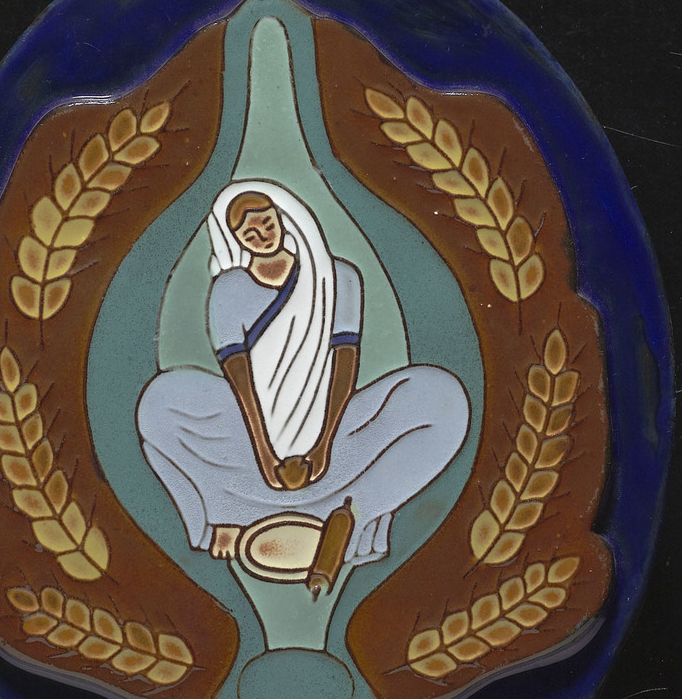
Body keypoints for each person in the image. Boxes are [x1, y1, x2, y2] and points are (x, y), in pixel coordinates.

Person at [137, 180, 469, 564]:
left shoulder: (337, 277)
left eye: (267, 223)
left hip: (338, 430)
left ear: (283, 218)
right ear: (236, 240)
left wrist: (324, 443)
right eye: (249, 233)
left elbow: (345, 362)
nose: (262, 236)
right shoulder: (229, 290)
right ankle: (229, 513)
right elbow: (239, 380)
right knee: (159, 403)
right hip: (246, 435)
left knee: (441, 397)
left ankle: (354, 515)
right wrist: (264, 452)